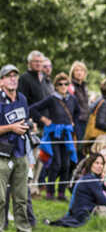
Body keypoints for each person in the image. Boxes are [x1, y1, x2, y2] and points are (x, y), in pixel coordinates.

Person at [30, 72, 80, 201]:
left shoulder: (72, 99)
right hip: (54, 135)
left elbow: (77, 113)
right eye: (60, 84)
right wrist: (43, 119)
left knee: (66, 165)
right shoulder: (51, 99)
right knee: (56, 164)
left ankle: (61, 193)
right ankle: (50, 193)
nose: (63, 86)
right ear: (56, 86)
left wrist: (73, 122)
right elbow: (33, 109)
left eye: (66, 84)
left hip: (67, 135)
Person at [0, 64, 33, 232]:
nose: (13, 78)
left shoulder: (22, 98)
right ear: (1, 81)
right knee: (0, 198)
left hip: (20, 152)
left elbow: (24, 120)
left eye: (15, 76)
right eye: (8, 76)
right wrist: (11, 128)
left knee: (21, 198)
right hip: (1, 153)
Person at [68, 61, 90, 140]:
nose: (79, 72)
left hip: (85, 119)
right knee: (78, 146)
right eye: (76, 70)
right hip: (76, 121)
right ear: (72, 73)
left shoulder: (84, 86)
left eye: (81, 70)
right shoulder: (70, 86)